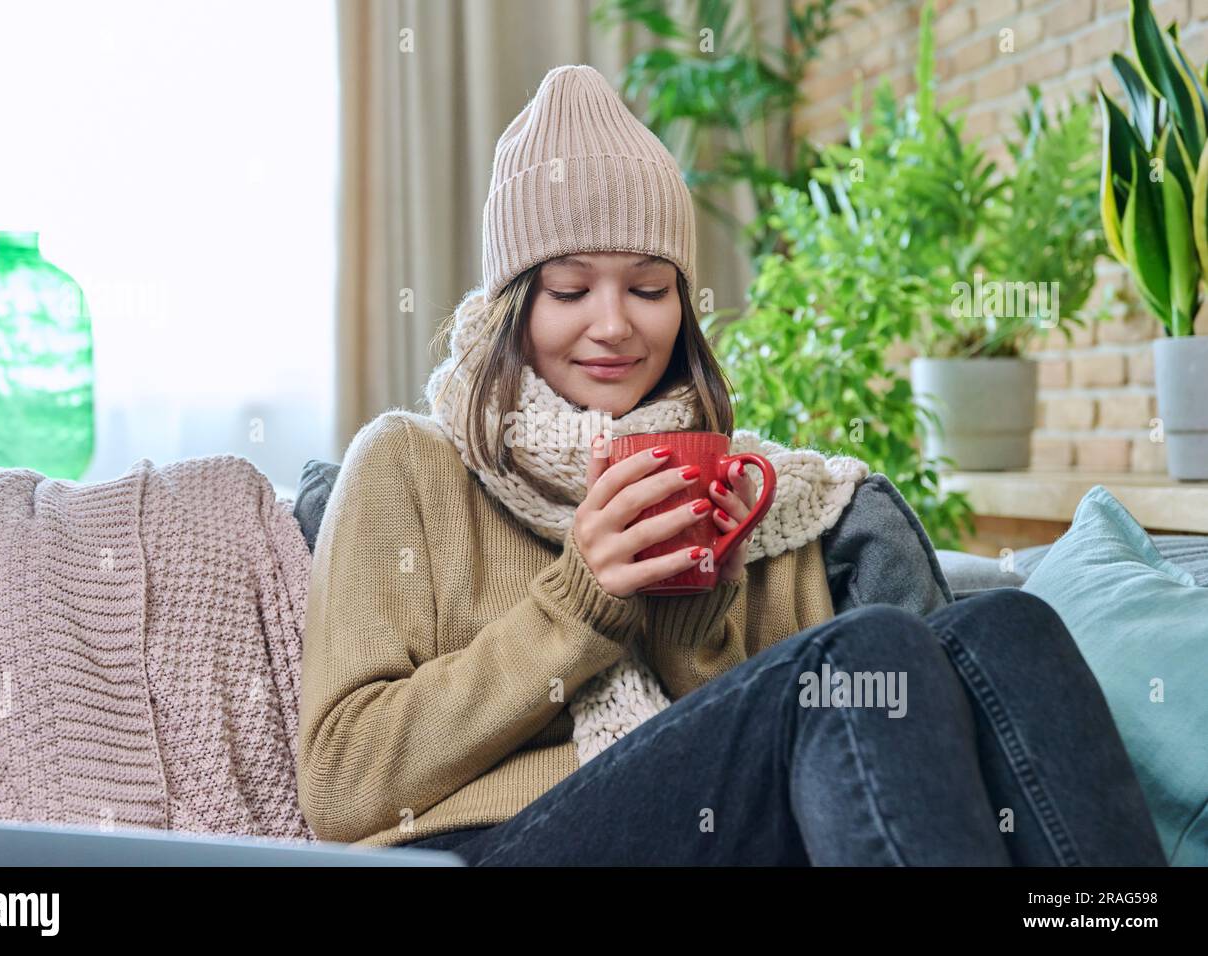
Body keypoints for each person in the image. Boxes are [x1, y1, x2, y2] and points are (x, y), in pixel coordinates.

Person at [296, 64, 1166, 866]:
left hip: (705, 825)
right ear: (512, 307)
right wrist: (580, 603)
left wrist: (685, 610)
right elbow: (341, 785)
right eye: (569, 290)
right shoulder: (406, 464)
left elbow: (793, 756)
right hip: (489, 844)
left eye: (649, 288)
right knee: (849, 663)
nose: (615, 325)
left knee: (1005, 629)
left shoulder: (758, 494)